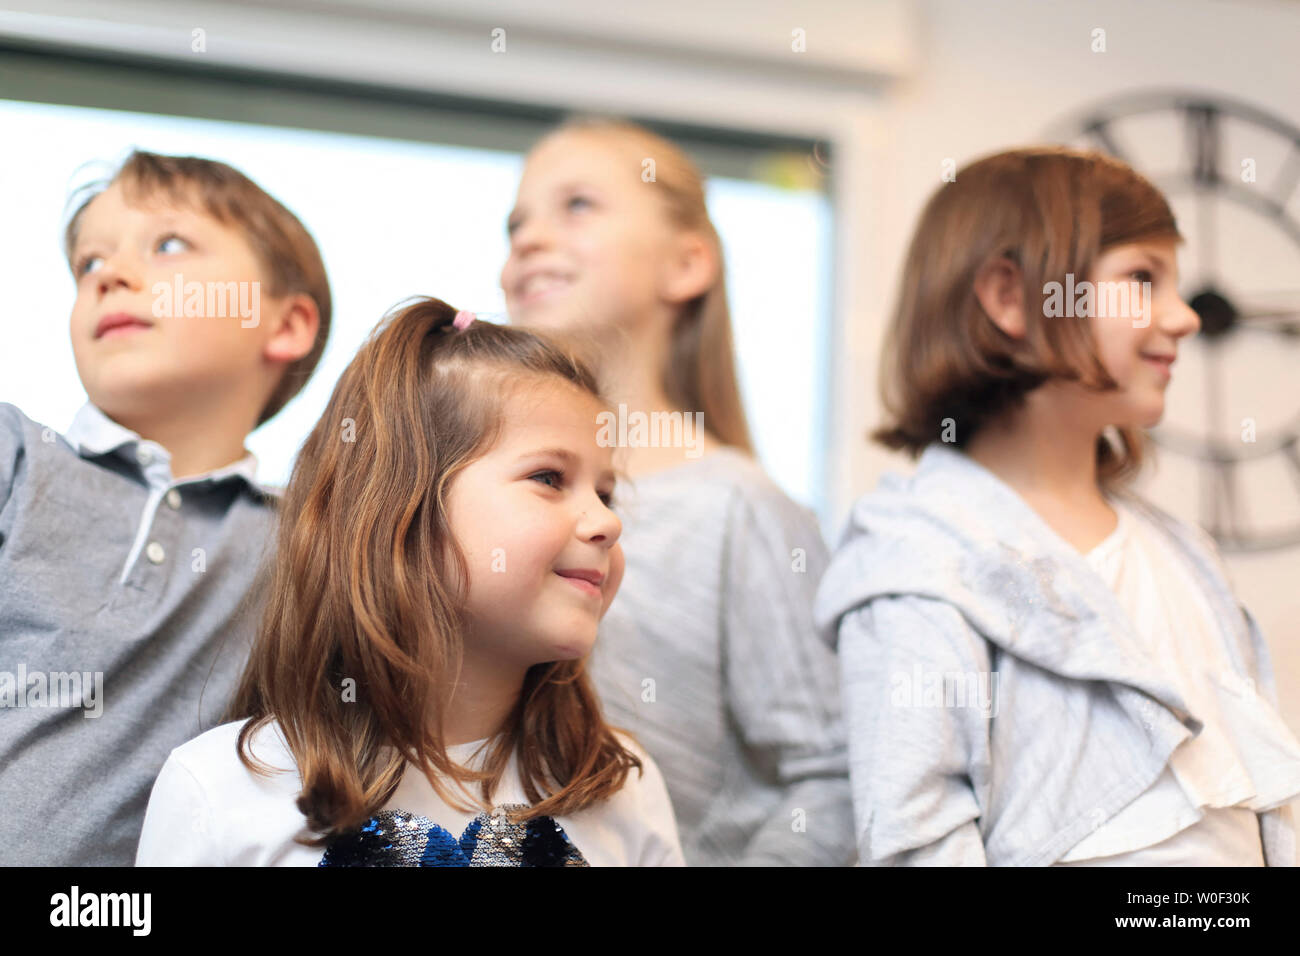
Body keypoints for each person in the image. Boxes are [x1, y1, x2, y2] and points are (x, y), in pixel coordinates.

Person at [815, 146, 1300, 866]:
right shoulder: (920, 563)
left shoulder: (1184, 555)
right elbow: (914, 843)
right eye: (1142, 277)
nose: (1186, 317)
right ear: (1011, 299)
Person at [135, 298, 684, 866]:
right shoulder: (221, 792)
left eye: (606, 493)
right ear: (401, 514)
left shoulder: (624, 789)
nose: (608, 521)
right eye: (549, 477)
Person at [501, 116, 854, 866]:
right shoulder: (486, 502)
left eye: (578, 205)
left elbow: (833, 777)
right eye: (515, 223)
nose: (528, 239)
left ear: (687, 264)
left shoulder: (740, 507)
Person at [0, 150, 328, 866]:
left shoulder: (308, 548)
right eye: (88, 264)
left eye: (169, 244)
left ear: (286, 326)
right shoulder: (16, 457)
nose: (108, 275)